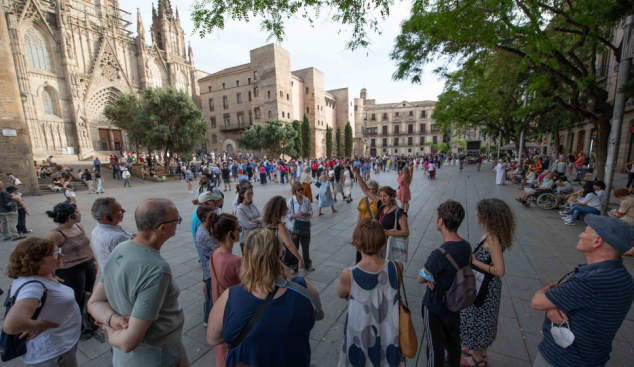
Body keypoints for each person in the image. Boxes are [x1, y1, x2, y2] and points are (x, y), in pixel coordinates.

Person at [87, 199, 188, 367]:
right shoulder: (156, 269)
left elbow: (95, 302)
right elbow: (128, 342)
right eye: (176, 220)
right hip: (159, 358)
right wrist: (110, 328)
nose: (177, 224)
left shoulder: (121, 248)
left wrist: (111, 320)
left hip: (125, 360)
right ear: (162, 228)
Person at [205, 228, 319, 367]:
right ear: (279, 254)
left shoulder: (231, 297)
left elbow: (213, 338)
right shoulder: (304, 288)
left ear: (246, 256)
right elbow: (314, 314)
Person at [530, 216, 634, 367]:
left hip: (563, 359)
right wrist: (556, 302)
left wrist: (553, 287)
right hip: (591, 357)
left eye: (585, 232)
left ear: (597, 241)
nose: (580, 235)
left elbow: (537, 303)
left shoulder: (590, 281)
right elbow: (589, 304)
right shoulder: (622, 276)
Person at [337, 218, 406, 367]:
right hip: (389, 331)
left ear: (356, 241)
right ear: (383, 242)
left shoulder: (349, 274)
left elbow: (341, 293)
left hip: (360, 332)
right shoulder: (397, 267)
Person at [3, 237, 82, 367]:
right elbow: (11, 325)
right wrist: (42, 324)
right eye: (55, 253)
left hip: (62, 342)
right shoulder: (33, 287)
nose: (61, 255)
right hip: (54, 354)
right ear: (36, 261)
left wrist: (51, 275)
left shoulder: (35, 275)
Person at [460, 199, 516, 366]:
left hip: (484, 287)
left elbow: (500, 271)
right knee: (483, 321)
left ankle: (477, 359)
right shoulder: (494, 233)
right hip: (486, 285)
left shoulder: (492, 239)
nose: (476, 214)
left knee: (476, 319)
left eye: (480, 212)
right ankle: (480, 352)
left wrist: (475, 261)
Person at [418, 200, 472, 367]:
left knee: (435, 346)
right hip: (455, 304)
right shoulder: (466, 246)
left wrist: (429, 278)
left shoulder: (439, 254)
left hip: (436, 306)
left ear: (440, 221)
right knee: (454, 340)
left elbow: (421, 278)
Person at [45, 203, 97, 340]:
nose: (80, 214)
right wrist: (51, 274)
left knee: (89, 294)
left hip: (87, 265)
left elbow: (87, 245)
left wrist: (94, 260)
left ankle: (88, 321)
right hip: (71, 270)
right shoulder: (56, 234)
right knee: (76, 299)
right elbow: (47, 255)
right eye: (78, 212)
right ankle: (77, 327)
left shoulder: (79, 227)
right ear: (70, 216)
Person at [207, 213, 243, 367]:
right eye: (238, 229)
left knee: (222, 352)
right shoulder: (236, 262)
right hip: (234, 314)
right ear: (230, 234)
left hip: (218, 311)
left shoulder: (214, 254)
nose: (240, 231)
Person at [353, 168, 409, 258]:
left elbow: (405, 232)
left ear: (392, 197)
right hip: (376, 243)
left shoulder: (399, 212)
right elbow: (366, 190)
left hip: (389, 245)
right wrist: (356, 174)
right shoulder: (381, 206)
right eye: (381, 196)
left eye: (385, 196)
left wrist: (387, 232)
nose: (382, 199)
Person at [195, 206, 222, 327]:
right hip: (211, 269)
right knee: (212, 297)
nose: (214, 218)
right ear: (203, 218)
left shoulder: (206, 229)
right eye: (211, 216)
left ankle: (208, 319)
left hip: (209, 268)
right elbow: (219, 247)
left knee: (211, 295)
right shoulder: (205, 234)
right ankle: (209, 320)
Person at [90, 198, 134, 270]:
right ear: (107, 217)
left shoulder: (96, 231)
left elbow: (128, 234)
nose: (124, 211)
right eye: (119, 210)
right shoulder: (117, 238)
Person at [287, 184, 314, 271]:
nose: (301, 191)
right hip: (294, 228)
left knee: (305, 247)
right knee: (294, 247)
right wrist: (296, 215)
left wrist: (307, 214)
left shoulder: (306, 200)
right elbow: (287, 215)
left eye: (301, 189)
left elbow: (311, 211)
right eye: (298, 190)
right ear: (294, 190)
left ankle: (307, 264)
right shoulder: (291, 201)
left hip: (305, 226)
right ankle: (294, 266)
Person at [236, 186, 264, 254]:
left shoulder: (253, 206)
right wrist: (258, 222)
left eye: (251, 194)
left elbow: (263, 218)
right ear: (242, 195)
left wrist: (254, 221)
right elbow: (248, 225)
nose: (250, 196)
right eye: (248, 194)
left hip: (257, 237)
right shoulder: (240, 210)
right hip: (246, 240)